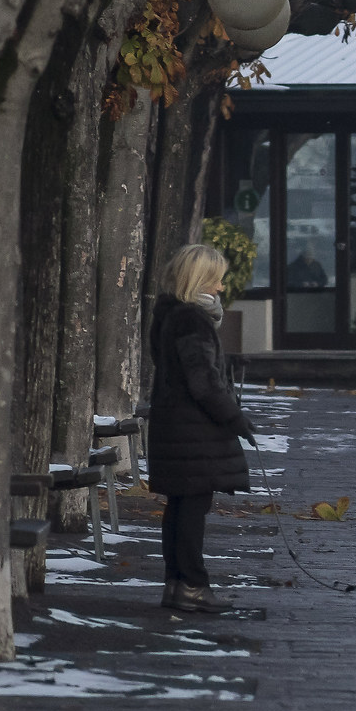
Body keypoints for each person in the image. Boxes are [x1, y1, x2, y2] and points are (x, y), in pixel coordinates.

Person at [148, 244, 257, 612]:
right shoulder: (192, 320)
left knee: (180, 506)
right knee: (192, 508)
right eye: (216, 280)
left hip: (174, 428)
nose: (222, 288)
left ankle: (176, 585)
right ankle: (193, 585)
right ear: (199, 280)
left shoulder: (168, 315)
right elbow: (204, 382)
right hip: (193, 432)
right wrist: (235, 418)